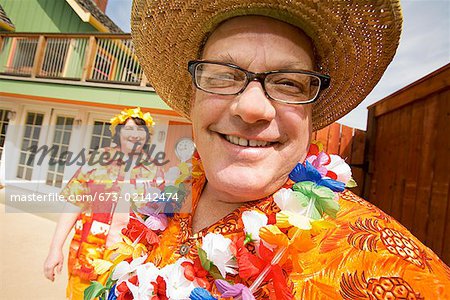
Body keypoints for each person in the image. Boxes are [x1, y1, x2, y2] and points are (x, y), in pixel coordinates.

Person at [84, 1, 450, 299]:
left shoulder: (388, 270)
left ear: (312, 112)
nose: (252, 107)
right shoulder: (165, 201)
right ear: (193, 97)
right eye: (224, 74)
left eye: (288, 82)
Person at [43, 107, 157, 300]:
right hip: (89, 255)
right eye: (129, 130)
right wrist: (55, 249)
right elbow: (73, 204)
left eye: (140, 131)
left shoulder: (153, 172)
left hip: (128, 263)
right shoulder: (97, 161)